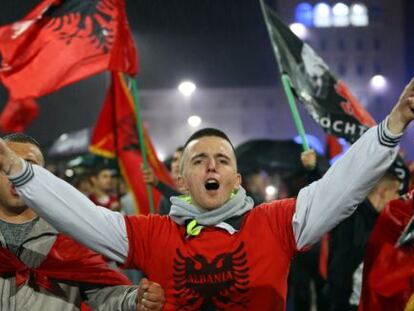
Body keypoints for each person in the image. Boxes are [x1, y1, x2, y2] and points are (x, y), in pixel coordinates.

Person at [2, 79, 414, 310]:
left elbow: (341, 186)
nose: (211, 166)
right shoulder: (151, 233)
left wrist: (394, 123)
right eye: (198, 161)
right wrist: (21, 173)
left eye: (221, 159)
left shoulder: (275, 223)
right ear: (182, 182)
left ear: (237, 179)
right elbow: (81, 214)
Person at [0, 133, 165, 311]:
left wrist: (134, 300)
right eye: (6, 166)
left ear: (42, 177)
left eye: (27, 165)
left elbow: (105, 293)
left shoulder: (72, 232)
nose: (13, 174)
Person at [326, 170, 401, 311]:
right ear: (384, 192)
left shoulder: (381, 222)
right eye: (396, 192)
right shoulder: (351, 218)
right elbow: (340, 265)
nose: (397, 198)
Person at [142, 146, 183, 215]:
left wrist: (157, 183)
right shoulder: (164, 200)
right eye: (175, 160)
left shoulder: (197, 192)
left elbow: (184, 201)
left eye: (182, 160)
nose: (177, 164)